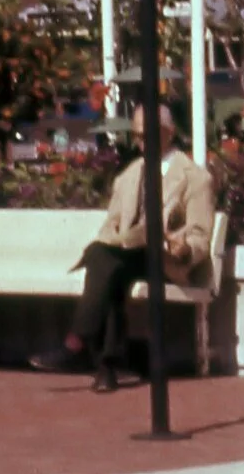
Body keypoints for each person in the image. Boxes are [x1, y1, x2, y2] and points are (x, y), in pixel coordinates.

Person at [31, 103, 216, 393]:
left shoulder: (195, 178)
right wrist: (115, 239)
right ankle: (109, 366)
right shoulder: (128, 176)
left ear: (169, 133)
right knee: (108, 264)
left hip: (167, 261)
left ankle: (78, 344)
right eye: (137, 135)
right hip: (128, 257)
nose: (141, 142)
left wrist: (183, 249)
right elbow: (111, 225)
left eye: (148, 134)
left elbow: (199, 234)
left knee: (104, 261)